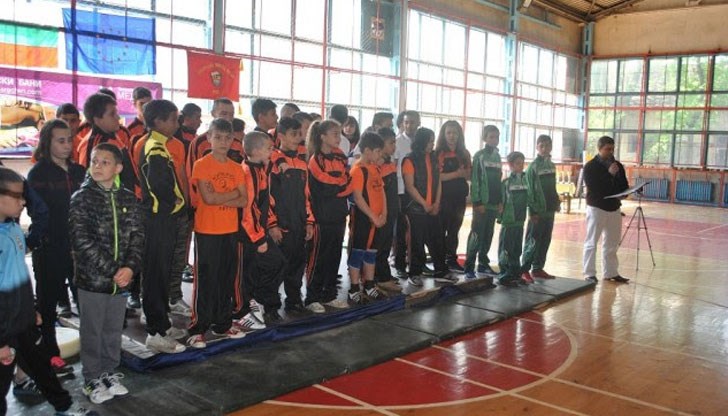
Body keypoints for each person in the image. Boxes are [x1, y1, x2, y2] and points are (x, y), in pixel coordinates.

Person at [1, 166, 98, 416]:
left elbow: (19, 276)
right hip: (3, 329)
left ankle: (64, 407)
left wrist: (30, 309)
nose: (24, 202)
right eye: (16, 196)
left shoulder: (13, 229)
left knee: (42, 368)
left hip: (22, 321)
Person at [69, 143, 144, 404]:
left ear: (118, 168)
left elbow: (137, 236)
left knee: (113, 328)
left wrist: (130, 268)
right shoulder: (82, 198)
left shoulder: (127, 198)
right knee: (92, 330)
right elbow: (82, 240)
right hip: (93, 280)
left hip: (121, 280)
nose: (98, 166)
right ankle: (92, 378)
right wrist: (114, 270)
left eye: (105, 162)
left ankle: (109, 372)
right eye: (94, 161)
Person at [27, 119, 85, 373]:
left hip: (80, 247)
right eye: (61, 140)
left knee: (85, 299)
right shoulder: (38, 174)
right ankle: (50, 353)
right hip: (50, 246)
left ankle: (93, 349)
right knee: (48, 303)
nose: (67, 145)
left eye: (69, 139)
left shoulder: (80, 171)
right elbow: (38, 212)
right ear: (47, 142)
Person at [186, 119, 248, 348]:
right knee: (206, 280)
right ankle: (198, 327)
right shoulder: (202, 165)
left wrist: (222, 197)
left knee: (226, 279)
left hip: (230, 230)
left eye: (227, 138)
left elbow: (244, 199)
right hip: (207, 230)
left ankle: (223, 323)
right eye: (218, 137)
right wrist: (231, 194)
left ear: (233, 140)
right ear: (209, 138)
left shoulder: (236, 167)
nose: (223, 142)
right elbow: (208, 198)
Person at [137, 99, 188, 354]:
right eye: (173, 119)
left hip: (162, 217)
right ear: (158, 121)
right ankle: (155, 333)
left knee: (162, 273)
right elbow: (159, 185)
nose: (177, 124)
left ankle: (163, 325)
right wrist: (174, 202)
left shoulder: (160, 145)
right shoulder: (155, 147)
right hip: (158, 219)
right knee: (156, 276)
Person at [239, 131, 287, 325]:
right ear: (257, 150)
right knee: (258, 269)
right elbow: (247, 209)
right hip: (249, 234)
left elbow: (265, 202)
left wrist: (271, 224)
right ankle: (250, 306)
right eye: (269, 148)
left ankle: (265, 303)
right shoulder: (247, 172)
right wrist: (258, 238)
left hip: (259, 230)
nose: (272, 152)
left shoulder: (260, 169)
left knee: (276, 263)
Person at [305, 119, 353, 312]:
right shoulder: (315, 159)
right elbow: (323, 186)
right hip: (320, 217)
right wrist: (338, 185)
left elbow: (348, 182)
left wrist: (337, 187)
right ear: (322, 136)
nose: (338, 137)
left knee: (334, 256)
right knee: (318, 257)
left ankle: (329, 295)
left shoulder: (340, 156)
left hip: (338, 214)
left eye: (339, 133)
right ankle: (312, 298)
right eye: (334, 133)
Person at [269, 117, 315, 315]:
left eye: (299, 134)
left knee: (297, 264)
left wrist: (309, 221)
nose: (298, 138)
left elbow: (307, 195)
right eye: (293, 134)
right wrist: (272, 224)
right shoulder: (272, 162)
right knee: (277, 266)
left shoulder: (302, 163)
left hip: (299, 223)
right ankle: (270, 307)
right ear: (281, 136)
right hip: (280, 224)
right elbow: (267, 196)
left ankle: (294, 301)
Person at [401, 127, 455, 286]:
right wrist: (424, 204)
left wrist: (436, 203)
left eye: (433, 141)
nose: (432, 144)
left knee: (438, 240)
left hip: (433, 207)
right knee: (416, 242)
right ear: (422, 142)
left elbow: (438, 182)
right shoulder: (409, 159)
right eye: (430, 141)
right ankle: (414, 273)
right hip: (416, 209)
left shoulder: (433, 158)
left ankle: (441, 271)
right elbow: (410, 186)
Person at [582, 135, 630, 284]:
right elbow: (595, 188)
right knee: (592, 242)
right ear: (599, 149)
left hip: (614, 207)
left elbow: (623, 184)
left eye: (612, 149)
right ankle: (589, 273)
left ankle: (611, 272)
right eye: (607, 149)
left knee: (612, 243)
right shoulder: (590, 167)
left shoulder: (617, 165)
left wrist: (625, 193)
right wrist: (609, 174)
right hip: (597, 207)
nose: (611, 152)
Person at [348, 132, 387, 304]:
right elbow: (358, 198)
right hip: (363, 219)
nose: (380, 155)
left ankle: (369, 285)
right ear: (367, 151)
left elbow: (382, 192)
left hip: (377, 219)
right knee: (358, 252)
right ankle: (354, 288)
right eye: (378, 151)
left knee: (371, 252)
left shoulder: (375, 168)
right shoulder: (358, 170)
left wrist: (384, 214)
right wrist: (372, 216)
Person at [77, 93, 139, 196]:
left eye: (116, 113)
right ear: (97, 119)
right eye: (112, 114)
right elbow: (89, 181)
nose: (118, 117)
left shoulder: (113, 136)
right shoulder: (94, 144)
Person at [464, 125, 503, 279]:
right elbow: (475, 180)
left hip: (493, 204)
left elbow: (498, 180)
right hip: (482, 203)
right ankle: (469, 266)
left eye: (497, 137)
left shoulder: (497, 157)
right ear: (485, 138)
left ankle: (483, 264)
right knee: (476, 234)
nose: (494, 140)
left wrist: (500, 200)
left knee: (488, 234)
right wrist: (477, 201)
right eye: (491, 137)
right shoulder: (479, 156)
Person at [522, 134, 560, 280]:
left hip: (549, 210)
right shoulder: (533, 167)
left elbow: (553, 186)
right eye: (541, 146)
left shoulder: (552, 166)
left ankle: (537, 268)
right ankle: (524, 269)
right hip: (537, 211)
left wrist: (556, 202)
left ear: (551, 147)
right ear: (537, 147)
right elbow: (529, 191)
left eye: (547, 145)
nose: (544, 148)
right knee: (533, 240)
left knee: (545, 239)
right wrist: (532, 211)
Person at [435, 120, 471, 273]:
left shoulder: (464, 153)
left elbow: (469, 174)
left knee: (454, 229)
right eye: (449, 133)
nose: (452, 136)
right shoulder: (439, 153)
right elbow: (438, 177)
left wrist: (465, 173)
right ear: (443, 134)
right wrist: (457, 174)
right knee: (440, 230)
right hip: (443, 197)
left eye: (455, 133)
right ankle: (440, 260)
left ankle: (451, 259)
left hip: (459, 197)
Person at [496, 151, 531, 286]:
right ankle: (504, 275)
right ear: (510, 165)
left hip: (520, 221)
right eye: (517, 163)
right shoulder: (506, 183)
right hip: (509, 221)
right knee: (506, 248)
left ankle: (515, 273)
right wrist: (501, 217)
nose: (521, 166)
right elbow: (500, 202)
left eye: (522, 163)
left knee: (517, 249)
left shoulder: (526, 181)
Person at [392, 110, 419, 277]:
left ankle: (416, 264)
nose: (409, 125)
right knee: (400, 230)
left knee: (417, 230)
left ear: (418, 123)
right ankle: (400, 264)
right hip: (401, 190)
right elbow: (394, 167)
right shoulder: (397, 142)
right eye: (406, 122)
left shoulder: (421, 142)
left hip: (418, 191)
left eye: (412, 122)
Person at [373, 128, 401, 291]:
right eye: (391, 143)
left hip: (391, 210)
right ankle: (380, 277)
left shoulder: (389, 162)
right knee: (380, 244)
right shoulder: (377, 165)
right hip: (381, 212)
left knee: (386, 244)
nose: (394, 146)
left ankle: (384, 274)